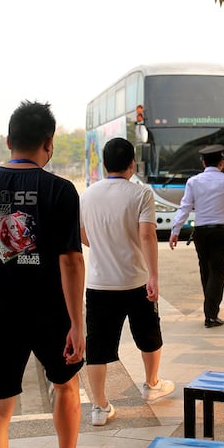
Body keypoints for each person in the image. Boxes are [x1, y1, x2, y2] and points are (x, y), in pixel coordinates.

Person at [0, 101, 100, 448]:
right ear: (49, 144)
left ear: (8, 141)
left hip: (0, 316)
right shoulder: (60, 190)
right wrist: (76, 324)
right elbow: (71, 261)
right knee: (66, 389)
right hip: (52, 314)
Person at [79, 138, 174, 427]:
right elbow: (147, 236)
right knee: (148, 334)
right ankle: (151, 384)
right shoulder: (141, 194)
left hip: (99, 284)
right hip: (135, 281)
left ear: (104, 164)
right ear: (132, 164)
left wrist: (103, 245)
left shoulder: (87, 194)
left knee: (97, 346)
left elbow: (82, 235)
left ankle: (99, 406)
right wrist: (154, 276)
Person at [169, 144, 224, 328]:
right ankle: (211, 313)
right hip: (220, 231)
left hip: (201, 233)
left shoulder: (193, 182)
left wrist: (175, 231)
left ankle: (210, 310)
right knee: (219, 273)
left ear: (203, 163)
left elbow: (185, 207)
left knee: (206, 270)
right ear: (222, 163)